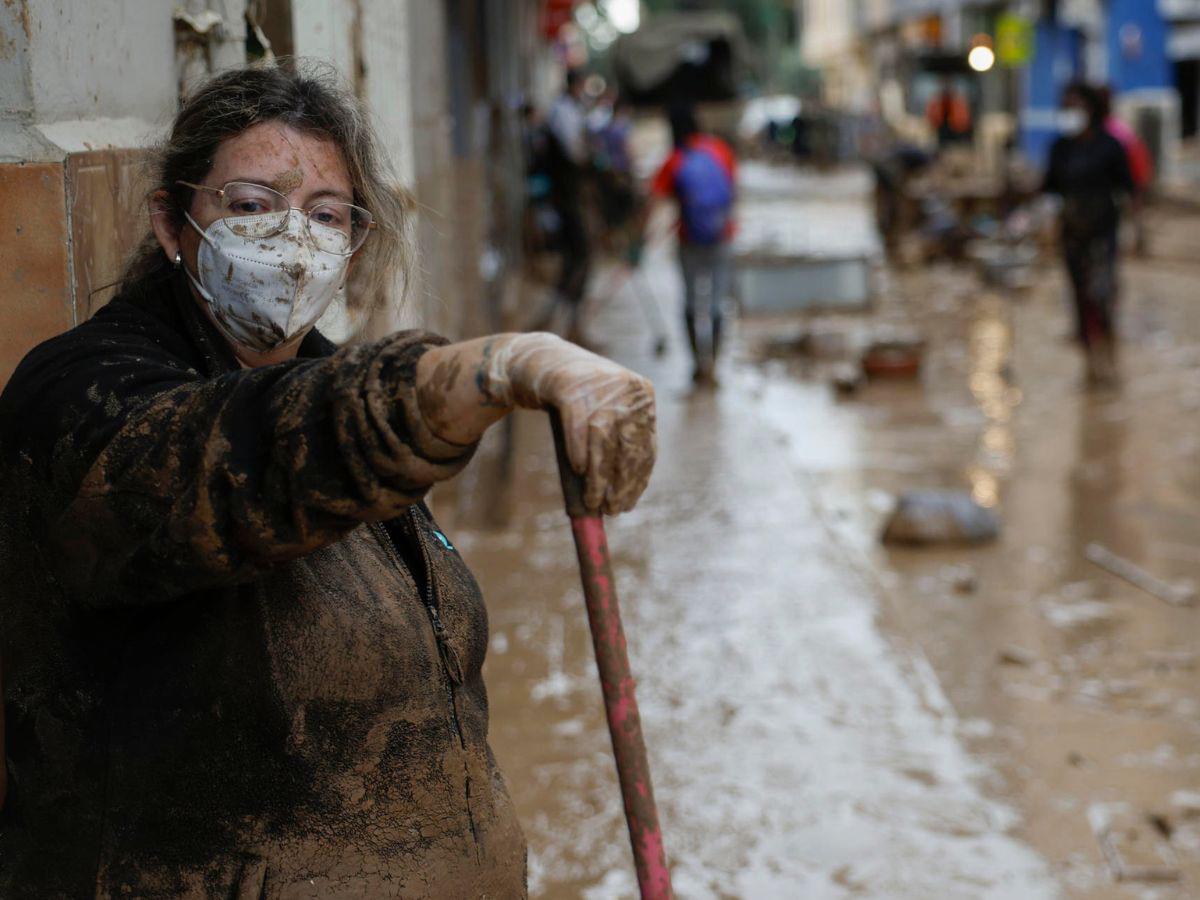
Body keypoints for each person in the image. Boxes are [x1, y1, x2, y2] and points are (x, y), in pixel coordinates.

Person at [0, 63, 655, 897]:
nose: (290, 239)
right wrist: (481, 373)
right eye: (249, 206)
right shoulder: (81, 392)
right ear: (173, 221)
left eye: (325, 215)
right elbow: (215, 469)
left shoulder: (339, 385)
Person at [1043, 81, 1134, 388]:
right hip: (1072, 232)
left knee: (1103, 291)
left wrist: (1135, 226)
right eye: (1067, 108)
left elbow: (1128, 188)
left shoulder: (1110, 146)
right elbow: (1049, 189)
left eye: (1077, 107)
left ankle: (1108, 352)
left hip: (1103, 230)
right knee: (1079, 294)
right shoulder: (1060, 148)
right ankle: (1090, 362)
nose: (1072, 114)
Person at [642, 104, 736, 385]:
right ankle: (715, 367)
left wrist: (640, 241)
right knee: (719, 303)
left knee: (692, 302)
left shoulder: (675, 159)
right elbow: (732, 194)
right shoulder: (721, 150)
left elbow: (655, 200)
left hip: (689, 240)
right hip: (723, 237)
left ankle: (699, 365)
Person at [537, 68, 594, 345]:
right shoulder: (564, 112)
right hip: (563, 195)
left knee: (578, 257)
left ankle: (568, 323)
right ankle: (562, 323)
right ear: (577, 85)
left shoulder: (568, 109)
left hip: (566, 194)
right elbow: (575, 152)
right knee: (579, 255)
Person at [926, 78, 972, 148]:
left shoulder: (959, 102)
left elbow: (964, 119)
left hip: (956, 130)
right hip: (940, 129)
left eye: (948, 85)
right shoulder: (936, 102)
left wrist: (958, 125)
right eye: (944, 85)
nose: (946, 87)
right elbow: (930, 117)